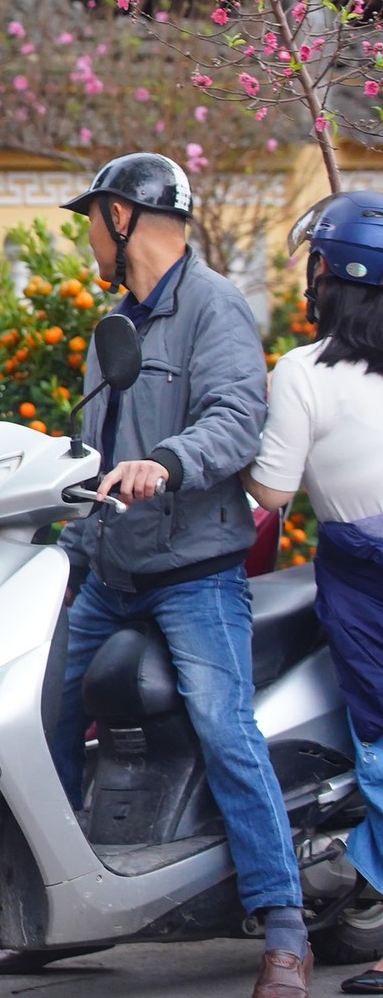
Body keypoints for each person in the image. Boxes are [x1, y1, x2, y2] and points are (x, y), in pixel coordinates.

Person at [49, 153, 308, 998]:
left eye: (92, 217)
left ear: (123, 218)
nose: (86, 233)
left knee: (223, 725)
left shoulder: (215, 308)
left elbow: (237, 420)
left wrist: (168, 461)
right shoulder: (112, 322)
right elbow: (93, 443)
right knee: (40, 700)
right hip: (112, 566)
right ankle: (51, 898)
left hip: (194, 571)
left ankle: (285, 928)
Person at [243, 191, 383, 996]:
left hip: (368, 582)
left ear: (334, 278)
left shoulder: (302, 372)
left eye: (316, 264)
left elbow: (268, 492)